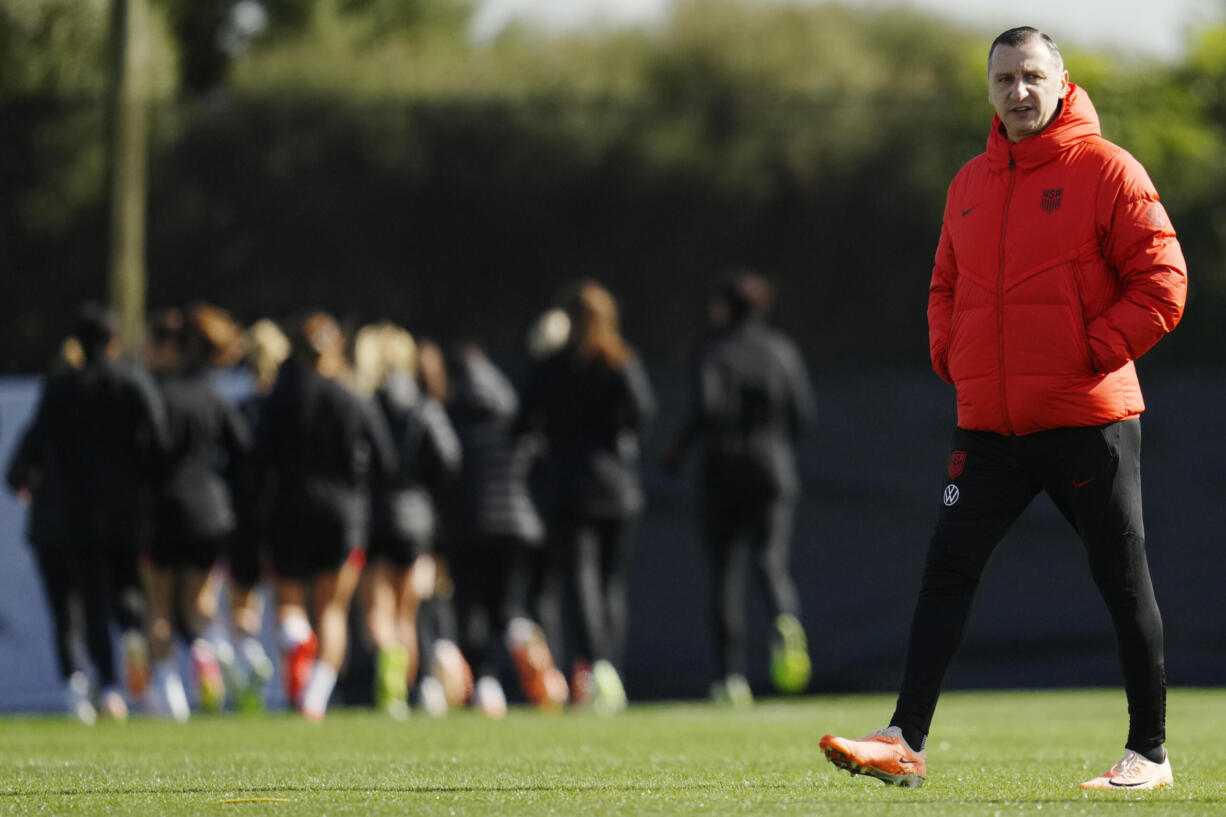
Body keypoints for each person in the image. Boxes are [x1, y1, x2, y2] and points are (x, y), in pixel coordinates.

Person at [819, 27, 1186, 790]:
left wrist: (1088, 352)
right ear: (989, 91)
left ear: (1062, 80)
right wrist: (951, 354)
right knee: (946, 567)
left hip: (1089, 417)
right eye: (1004, 80)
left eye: (1031, 76)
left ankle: (1149, 754)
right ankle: (903, 738)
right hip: (990, 424)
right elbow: (943, 285)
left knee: (1121, 578)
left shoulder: (1107, 170)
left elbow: (1163, 283)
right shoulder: (968, 184)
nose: (1018, 92)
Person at [663, 270, 816, 707]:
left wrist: (678, 449)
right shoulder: (782, 350)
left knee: (725, 575)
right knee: (770, 562)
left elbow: (708, 407)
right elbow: (803, 417)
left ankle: (730, 678)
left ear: (726, 306)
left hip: (724, 471)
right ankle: (786, 622)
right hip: (773, 470)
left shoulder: (713, 349)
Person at [12, 303, 168, 721]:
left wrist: (24, 481)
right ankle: (140, 671)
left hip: (76, 514)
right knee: (129, 595)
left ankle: (112, 687)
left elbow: (29, 450)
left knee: (93, 601)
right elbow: (157, 443)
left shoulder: (60, 389)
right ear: (114, 342)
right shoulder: (131, 383)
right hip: (125, 513)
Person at [516, 281, 656, 715]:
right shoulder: (621, 362)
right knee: (610, 584)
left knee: (581, 583)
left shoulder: (553, 367)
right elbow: (642, 413)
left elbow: (522, 422)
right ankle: (608, 669)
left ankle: (596, 669)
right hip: (617, 489)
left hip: (570, 489)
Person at [251, 311, 397, 720]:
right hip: (342, 515)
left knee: (290, 604)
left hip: (289, 508)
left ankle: (296, 644)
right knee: (332, 609)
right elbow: (386, 461)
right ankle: (315, 696)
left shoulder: (278, 398)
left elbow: (256, 459)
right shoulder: (352, 397)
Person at [446, 341, 568, 717]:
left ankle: (485, 687)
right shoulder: (513, 410)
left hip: (468, 524)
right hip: (519, 523)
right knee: (508, 607)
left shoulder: (452, 413)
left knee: (471, 608)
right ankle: (528, 647)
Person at [142, 305, 251, 720]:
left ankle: (169, 693)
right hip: (210, 512)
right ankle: (216, 652)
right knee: (200, 604)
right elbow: (243, 453)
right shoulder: (213, 395)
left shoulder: (154, 395)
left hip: (163, 510)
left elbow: (142, 456)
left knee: (159, 606)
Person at [5, 336, 117, 724]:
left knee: (65, 613)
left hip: (51, 528)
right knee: (94, 607)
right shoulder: (98, 413)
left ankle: (75, 688)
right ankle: (111, 687)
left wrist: (35, 488)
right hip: (88, 526)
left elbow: (15, 471)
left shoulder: (49, 415)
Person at [353, 322, 461, 719]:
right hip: (417, 520)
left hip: (375, 516)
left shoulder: (365, 403)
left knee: (377, 608)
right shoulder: (422, 404)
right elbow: (449, 457)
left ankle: (390, 676)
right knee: (406, 613)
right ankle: (408, 683)